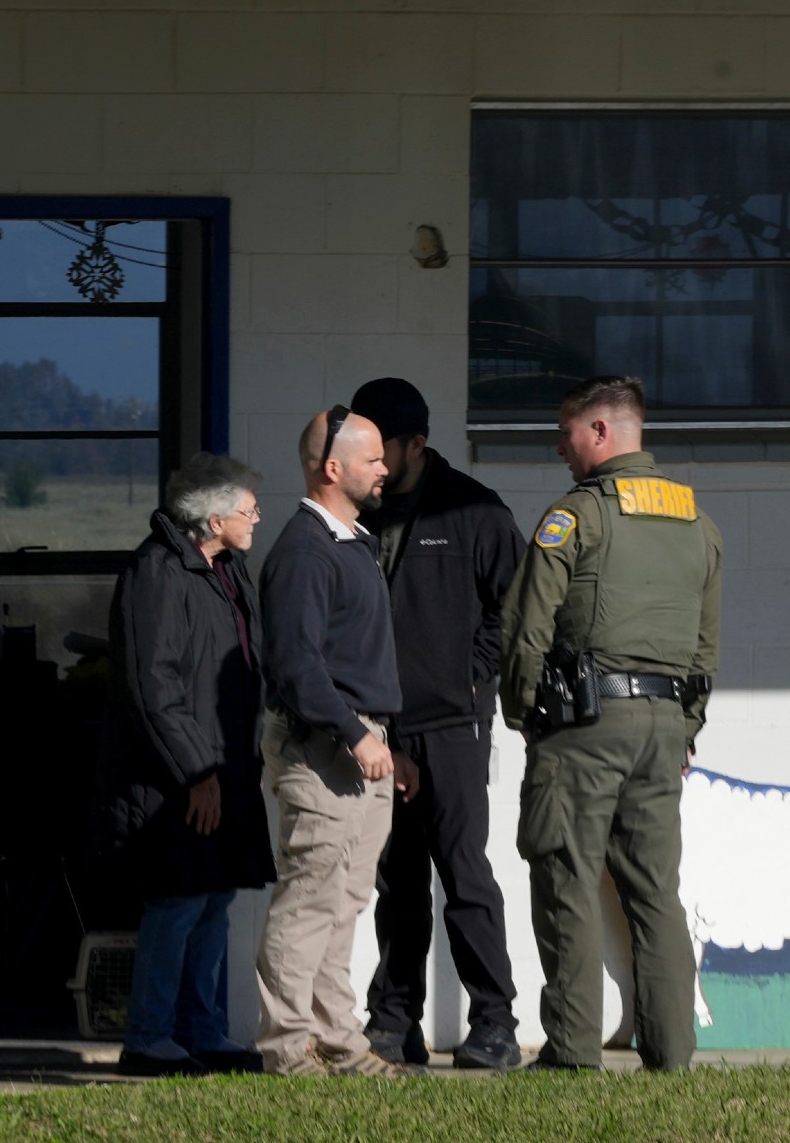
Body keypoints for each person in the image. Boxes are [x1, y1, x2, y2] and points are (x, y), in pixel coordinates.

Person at [499, 376, 722, 1071]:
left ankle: (570, 1055)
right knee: (655, 892)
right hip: (661, 729)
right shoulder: (697, 523)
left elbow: (525, 625)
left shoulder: (578, 516)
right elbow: (705, 647)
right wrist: (685, 729)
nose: (559, 449)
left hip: (584, 725)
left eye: (566, 433)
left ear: (599, 431)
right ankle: (671, 1055)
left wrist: (523, 711)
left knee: (565, 875)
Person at [348, 377, 527, 1071]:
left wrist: (471, 675)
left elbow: (512, 610)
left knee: (464, 876)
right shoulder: (357, 512)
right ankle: (393, 1022)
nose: (371, 463)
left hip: (453, 724)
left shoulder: (474, 511)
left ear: (415, 443)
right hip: (377, 730)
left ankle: (495, 1023)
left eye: (379, 449)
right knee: (396, 880)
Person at [253, 406, 421, 1078]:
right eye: (374, 458)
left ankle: (338, 1044)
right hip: (323, 752)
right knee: (308, 901)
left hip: (357, 747)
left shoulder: (353, 542)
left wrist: (386, 740)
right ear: (332, 467)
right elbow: (296, 666)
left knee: (342, 902)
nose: (385, 468)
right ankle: (287, 1050)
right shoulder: (303, 552)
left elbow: (357, 660)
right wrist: (356, 734)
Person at [102, 452, 275, 1077]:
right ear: (212, 516)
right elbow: (155, 686)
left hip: (226, 772)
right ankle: (148, 1038)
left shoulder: (225, 571)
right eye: (248, 508)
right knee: (176, 903)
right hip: (176, 780)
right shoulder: (159, 572)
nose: (256, 517)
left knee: (213, 901)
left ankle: (201, 1033)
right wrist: (198, 772)